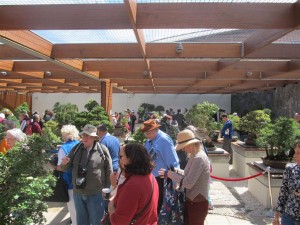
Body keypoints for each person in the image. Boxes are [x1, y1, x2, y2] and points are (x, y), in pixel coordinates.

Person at [61, 124, 113, 225]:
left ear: (94, 137)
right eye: (83, 135)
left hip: (96, 193)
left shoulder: (102, 150)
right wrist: (64, 164)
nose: (85, 138)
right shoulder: (76, 149)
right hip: (78, 193)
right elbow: (65, 168)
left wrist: (107, 190)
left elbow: (109, 171)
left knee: (97, 221)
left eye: (88, 136)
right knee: (81, 222)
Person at [158, 129, 210, 225]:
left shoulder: (198, 158)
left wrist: (170, 174)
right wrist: (176, 171)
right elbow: (187, 173)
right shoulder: (194, 155)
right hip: (192, 201)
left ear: (191, 144)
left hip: (197, 202)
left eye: (184, 147)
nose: (183, 149)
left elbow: (188, 182)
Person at [108, 143, 159, 225]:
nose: (119, 160)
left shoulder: (133, 185)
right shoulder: (151, 177)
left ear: (131, 159)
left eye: (121, 157)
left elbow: (119, 222)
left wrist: (111, 207)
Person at [141, 119, 179, 214]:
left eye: (148, 132)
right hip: (152, 177)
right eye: (145, 133)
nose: (146, 135)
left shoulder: (164, 140)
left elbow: (173, 161)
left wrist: (175, 180)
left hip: (163, 179)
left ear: (155, 130)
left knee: (160, 207)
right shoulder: (150, 140)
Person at [56, 125, 80, 225]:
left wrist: (53, 166)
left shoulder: (64, 148)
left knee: (74, 211)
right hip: (83, 181)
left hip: (70, 182)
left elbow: (60, 167)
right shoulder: (81, 145)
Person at [272, 141, 300, 225]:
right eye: (295, 153)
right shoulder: (290, 169)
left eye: (298, 153)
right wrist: (276, 217)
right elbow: (283, 193)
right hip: (289, 216)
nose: (294, 156)